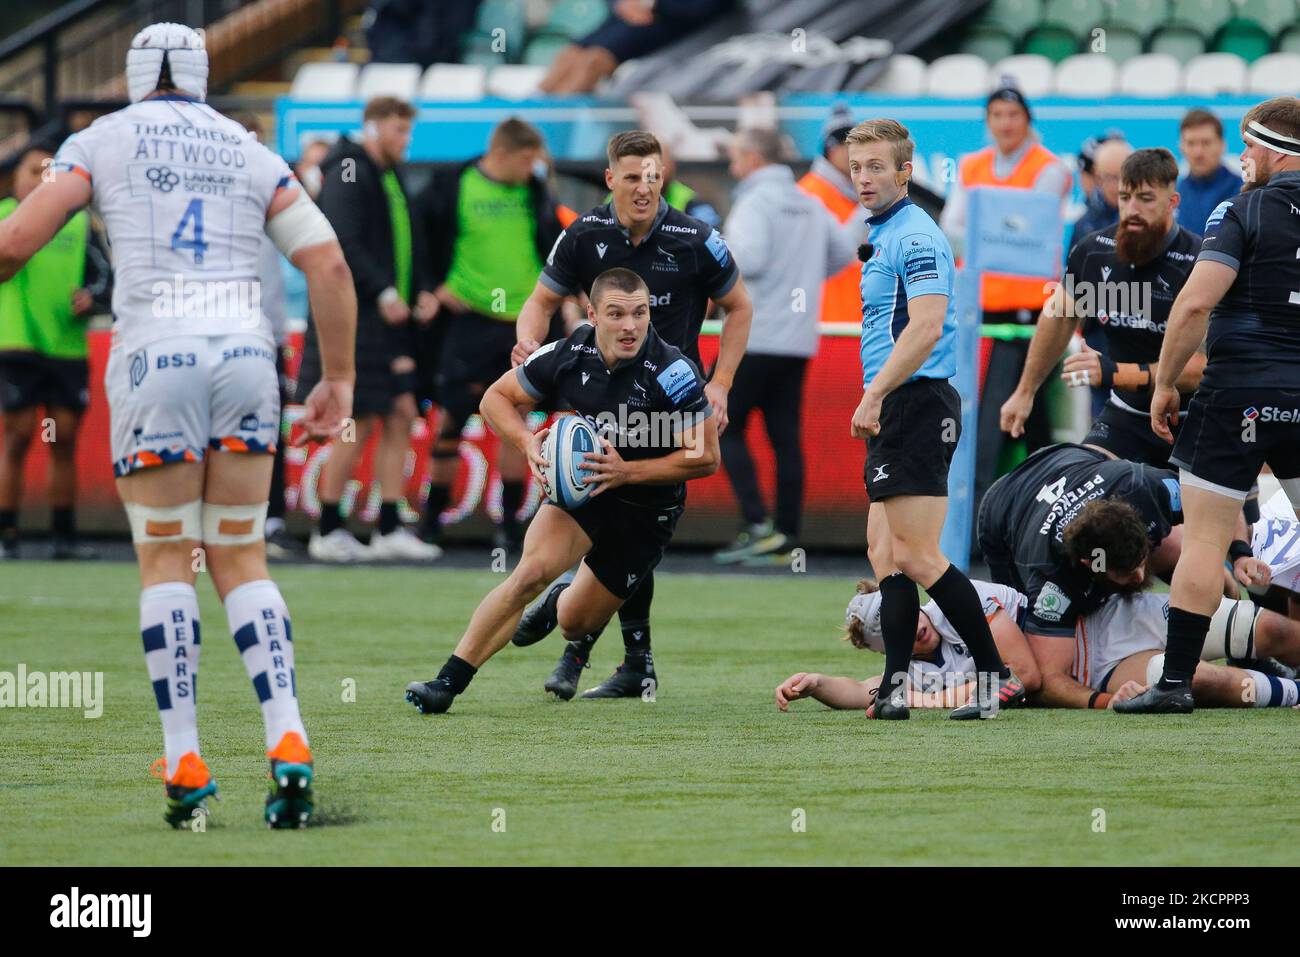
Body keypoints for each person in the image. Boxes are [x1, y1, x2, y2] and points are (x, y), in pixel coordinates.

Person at [0, 22, 357, 827]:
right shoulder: (246, 145)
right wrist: (337, 378)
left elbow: (15, 244)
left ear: (132, 76)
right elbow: (328, 264)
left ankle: (187, 755)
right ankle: (289, 738)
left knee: (167, 557)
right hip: (245, 358)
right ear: (202, 75)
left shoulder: (101, 139)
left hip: (154, 359)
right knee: (241, 554)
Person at [404, 268, 719, 714]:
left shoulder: (673, 371)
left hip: (648, 509)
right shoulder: (569, 353)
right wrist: (526, 441)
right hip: (586, 491)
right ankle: (446, 683)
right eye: (616, 314)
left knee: (576, 622)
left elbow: (706, 456)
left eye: (640, 313)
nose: (630, 326)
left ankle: (560, 600)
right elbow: (494, 398)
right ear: (591, 314)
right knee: (527, 575)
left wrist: (626, 471)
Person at [509, 129, 752, 700]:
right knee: (593, 504)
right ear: (610, 179)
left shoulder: (696, 239)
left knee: (636, 524)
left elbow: (740, 307)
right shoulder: (584, 234)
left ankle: (582, 639)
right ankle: (607, 650)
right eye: (634, 176)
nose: (645, 187)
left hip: (668, 407)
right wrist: (528, 344)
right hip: (598, 396)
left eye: (654, 176)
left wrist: (720, 384)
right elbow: (541, 300)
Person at [1120, 97, 1300, 714]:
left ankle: (1173, 684)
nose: (1241, 159)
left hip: (1237, 392)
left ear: (1273, 149)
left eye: (1247, 147)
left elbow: (1195, 305)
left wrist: (1165, 382)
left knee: (1201, 540)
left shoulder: (1240, 209)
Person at [848, 117, 1023, 721]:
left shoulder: (916, 236)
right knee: (884, 552)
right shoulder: (886, 231)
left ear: (904, 171)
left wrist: (875, 395)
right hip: (899, 400)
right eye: (856, 168)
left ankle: (995, 677)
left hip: (916, 401)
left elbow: (924, 328)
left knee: (920, 555)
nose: (864, 178)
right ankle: (896, 688)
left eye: (877, 167)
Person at [297, 96, 440, 563]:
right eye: (399, 130)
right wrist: (382, 292)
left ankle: (389, 526)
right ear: (373, 128)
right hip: (356, 319)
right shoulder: (349, 170)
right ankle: (328, 527)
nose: (406, 140)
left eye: (409, 131)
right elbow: (342, 242)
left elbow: (408, 241)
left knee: (400, 412)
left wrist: (418, 288)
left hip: (391, 322)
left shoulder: (390, 174)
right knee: (355, 419)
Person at [1001, 149, 1204, 470]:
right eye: (1125, 197)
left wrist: (1112, 372)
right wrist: (1024, 392)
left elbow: (1198, 368)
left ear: (1172, 202)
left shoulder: (1199, 262)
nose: (1132, 210)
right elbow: (1057, 318)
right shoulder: (1094, 251)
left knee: (1194, 519)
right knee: (1083, 489)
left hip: (1194, 419)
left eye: (1146, 199)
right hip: (1127, 413)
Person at [415, 117, 563, 551]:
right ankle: (431, 523)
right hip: (470, 320)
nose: (534, 168)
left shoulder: (535, 192)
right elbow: (420, 239)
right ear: (505, 153)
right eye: (529, 159)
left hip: (521, 325)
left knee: (516, 421)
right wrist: (432, 286)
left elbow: (552, 247)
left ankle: (509, 527)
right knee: (449, 420)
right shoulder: (453, 184)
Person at [713, 127, 858, 564]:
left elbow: (749, 259)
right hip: (797, 339)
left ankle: (757, 524)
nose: (733, 163)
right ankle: (787, 535)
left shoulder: (754, 202)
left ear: (754, 157)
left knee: (721, 424)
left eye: (737, 154)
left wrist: (715, 254)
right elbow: (840, 255)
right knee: (784, 438)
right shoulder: (808, 202)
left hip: (754, 336)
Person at [978, 442, 1266, 645]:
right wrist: (1102, 698)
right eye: (1127, 572)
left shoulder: (1144, 489)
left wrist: (1239, 553)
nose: (1141, 576)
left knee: (1207, 571)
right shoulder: (1048, 572)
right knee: (1024, 632)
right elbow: (1048, 677)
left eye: (1140, 562)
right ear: (1091, 563)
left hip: (1074, 460)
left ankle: (1243, 647)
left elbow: (1220, 495)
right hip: (1002, 507)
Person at [940, 83, 1071, 528]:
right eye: (996, 115)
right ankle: (996, 519)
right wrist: (995, 233)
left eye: (1012, 115)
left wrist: (986, 232)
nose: (1005, 124)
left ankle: (1003, 519)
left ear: (1027, 119)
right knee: (1000, 419)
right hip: (981, 315)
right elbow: (951, 227)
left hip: (1031, 317)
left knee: (1014, 417)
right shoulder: (973, 165)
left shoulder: (1049, 168)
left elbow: (1029, 235)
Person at [0, 139, 111, 560]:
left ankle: (62, 537)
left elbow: (105, 280)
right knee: (17, 438)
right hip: (17, 344)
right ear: (15, 178)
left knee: (63, 440)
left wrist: (91, 298)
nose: (42, 178)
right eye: (33, 170)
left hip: (66, 347)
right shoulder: (5, 219)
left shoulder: (78, 223)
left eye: (51, 170)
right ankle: (7, 535)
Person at [775, 577, 1040, 713]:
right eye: (902, 634)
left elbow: (1023, 676)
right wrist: (817, 684)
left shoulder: (959, 601)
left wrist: (927, 700)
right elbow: (863, 691)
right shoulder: (911, 667)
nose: (915, 630)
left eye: (910, 616)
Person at [232, 112, 302, 560]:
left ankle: (268, 521)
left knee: (267, 432)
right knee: (229, 434)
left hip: (263, 334)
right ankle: (235, 525)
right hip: (231, 332)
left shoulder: (271, 193)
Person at [539, 0, 736, 95]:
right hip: (630, 15)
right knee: (569, 54)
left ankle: (557, 121)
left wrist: (652, 4)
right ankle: (533, 109)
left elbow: (709, 6)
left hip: (666, 20)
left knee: (593, 61)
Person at [798, 104, 862, 326]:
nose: (853, 153)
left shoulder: (858, 193)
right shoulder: (810, 192)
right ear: (831, 149)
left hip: (857, 318)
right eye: (845, 145)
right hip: (826, 320)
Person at [1176, 108, 1243, 238]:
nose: (1198, 152)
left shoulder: (1243, 192)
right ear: (1181, 147)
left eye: (1206, 143)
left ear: (1222, 145)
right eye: (1191, 143)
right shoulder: (1174, 193)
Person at [1067, 138, 1131, 253]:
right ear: (1098, 176)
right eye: (1108, 177)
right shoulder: (1085, 224)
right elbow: (1072, 268)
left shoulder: (1149, 220)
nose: (1115, 186)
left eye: (1121, 177)